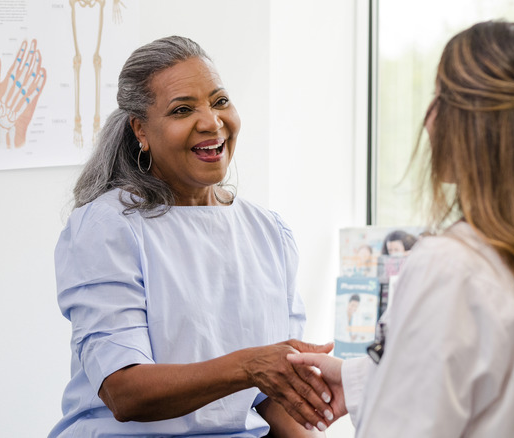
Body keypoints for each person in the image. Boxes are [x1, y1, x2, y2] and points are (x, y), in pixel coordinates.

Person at [289, 20, 514, 438]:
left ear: (473, 125)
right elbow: (497, 383)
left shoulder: (448, 268)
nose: (429, 117)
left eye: (439, 97)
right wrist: (355, 380)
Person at [49, 36, 336, 438]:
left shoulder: (269, 232)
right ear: (140, 131)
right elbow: (124, 392)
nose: (211, 122)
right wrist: (248, 366)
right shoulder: (108, 228)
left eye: (219, 101)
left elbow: (272, 396)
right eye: (183, 109)